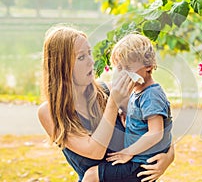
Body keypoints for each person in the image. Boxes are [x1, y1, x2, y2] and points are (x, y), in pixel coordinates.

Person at [38, 25, 174, 182]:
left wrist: (169, 156)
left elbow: (155, 126)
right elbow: (95, 151)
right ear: (62, 66)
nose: (91, 62)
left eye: (89, 53)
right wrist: (113, 103)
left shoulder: (106, 91)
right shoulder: (50, 112)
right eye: (81, 57)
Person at [82, 33, 173, 182]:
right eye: (120, 67)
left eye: (128, 68)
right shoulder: (137, 91)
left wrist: (128, 152)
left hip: (141, 163)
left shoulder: (152, 95)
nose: (123, 73)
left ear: (148, 66)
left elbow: (156, 133)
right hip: (137, 158)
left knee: (91, 175)